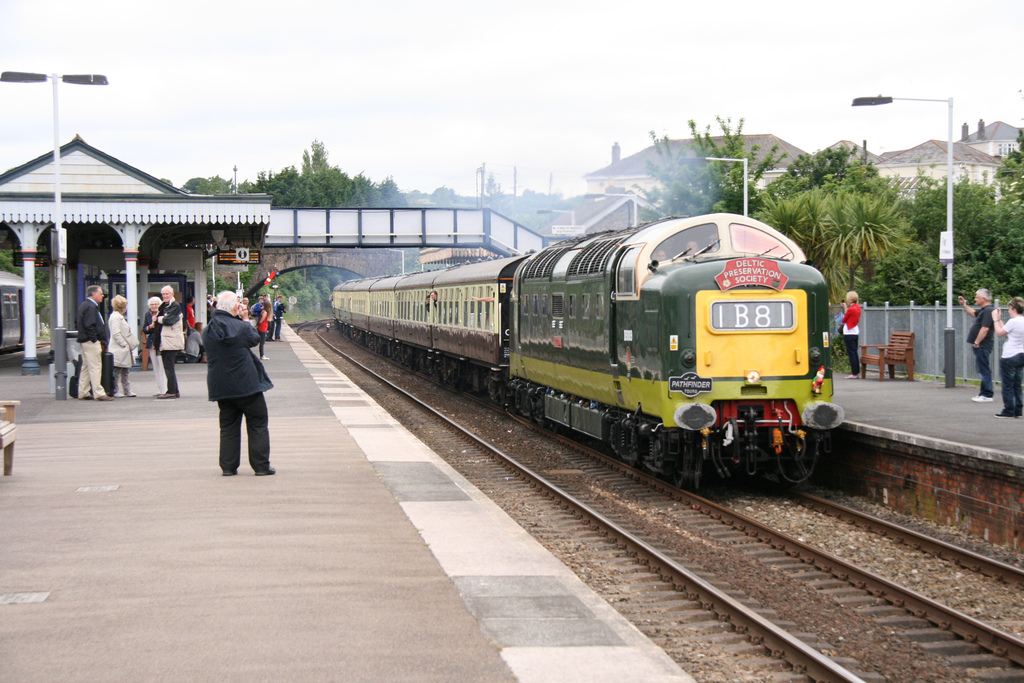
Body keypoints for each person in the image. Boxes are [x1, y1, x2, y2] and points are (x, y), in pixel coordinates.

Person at [204, 290, 275, 476]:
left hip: (221, 385)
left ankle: (228, 467)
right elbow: (254, 339)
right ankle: (261, 466)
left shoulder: (208, 329)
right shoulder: (241, 327)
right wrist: (244, 319)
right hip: (247, 386)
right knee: (258, 423)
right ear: (236, 307)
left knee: (228, 427)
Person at [75, 285, 114, 401]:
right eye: (101, 293)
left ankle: (83, 391)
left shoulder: (84, 305)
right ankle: (99, 392)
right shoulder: (91, 307)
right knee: (95, 366)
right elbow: (89, 324)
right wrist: (95, 339)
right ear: (94, 294)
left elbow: (78, 322)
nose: (103, 296)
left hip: (84, 340)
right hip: (90, 341)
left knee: (86, 366)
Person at [960, 289, 995, 402]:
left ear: (983, 299)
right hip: (981, 345)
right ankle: (983, 393)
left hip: (983, 345)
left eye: (977, 297)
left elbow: (985, 328)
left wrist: (977, 342)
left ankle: (987, 394)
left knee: (983, 369)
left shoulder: (989, 311)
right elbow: (973, 313)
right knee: (981, 368)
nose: (975, 299)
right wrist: (964, 305)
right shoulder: (984, 310)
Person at [992, 297, 1024, 419]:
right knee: (1017, 384)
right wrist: (999, 319)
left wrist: (995, 320)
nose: (1009, 311)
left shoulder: (1013, 321)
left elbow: (1000, 333)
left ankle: (1008, 410)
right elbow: (1007, 330)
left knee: (1007, 385)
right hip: (1021, 354)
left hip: (1009, 355)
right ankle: (1018, 409)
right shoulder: (1021, 321)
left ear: (1014, 309)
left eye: (1010, 309)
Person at [156, 285, 185, 399]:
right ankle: (173, 390)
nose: (165, 296)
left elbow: (168, 320)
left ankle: (172, 391)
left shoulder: (175, 305)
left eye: (167, 294)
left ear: (172, 294)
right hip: (166, 340)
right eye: (163, 294)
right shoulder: (165, 306)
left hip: (171, 340)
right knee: (167, 367)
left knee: (169, 367)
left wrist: (158, 319)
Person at [108, 295, 138, 398]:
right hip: (119, 348)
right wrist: (124, 345)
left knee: (125, 370)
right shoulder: (115, 317)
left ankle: (127, 390)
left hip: (123, 348)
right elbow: (116, 333)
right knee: (117, 371)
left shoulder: (118, 317)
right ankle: (116, 390)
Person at [143, 296, 167, 396]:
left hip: (161, 342)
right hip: (152, 342)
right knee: (155, 366)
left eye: (156, 304)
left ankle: (165, 389)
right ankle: (160, 388)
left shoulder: (163, 314)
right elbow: (144, 329)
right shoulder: (147, 315)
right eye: (152, 304)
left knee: (162, 365)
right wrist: (149, 327)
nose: (154, 306)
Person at [841, 291, 862, 379]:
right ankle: (856, 371)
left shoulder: (851, 309)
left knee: (851, 353)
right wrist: (846, 307)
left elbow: (844, 319)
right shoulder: (858, 308)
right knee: (854, 352)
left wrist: (846, 309)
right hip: (855, 332)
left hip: (849, 333)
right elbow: (850, 316)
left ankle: (854, 373)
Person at [254, 295, 270, 359]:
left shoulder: (263, 311)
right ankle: (262, 355)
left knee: (262, 342)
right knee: (262, 342)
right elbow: (261, 321)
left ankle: (262, 355)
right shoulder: (265, 312)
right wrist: (259, 323)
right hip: (263, 328)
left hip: (263, 327)